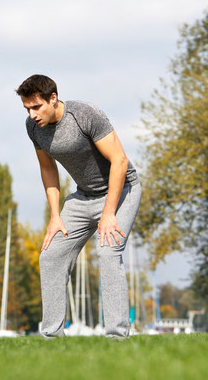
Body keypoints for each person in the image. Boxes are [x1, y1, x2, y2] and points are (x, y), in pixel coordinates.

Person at [16, 74, 141, 338]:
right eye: (27, 108)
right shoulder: (33, 128)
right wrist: (54, 217)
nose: (32, 114)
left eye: (36, 107)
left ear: (53, 98)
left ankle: (117, 337)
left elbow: (119, 160)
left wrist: (109, 213)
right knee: (51, 255)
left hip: (121, 191)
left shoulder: (84, 114)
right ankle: (52, 337)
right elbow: (47, 169)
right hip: (83, 197)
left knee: (108, 252)